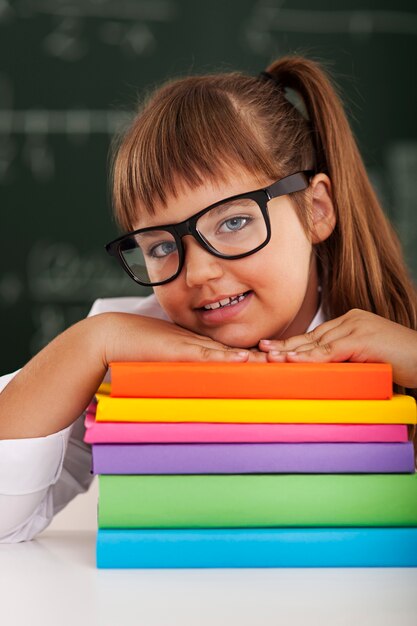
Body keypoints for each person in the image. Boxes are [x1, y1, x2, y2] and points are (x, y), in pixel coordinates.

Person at [0, 56, 416, 542]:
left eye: (234, 222)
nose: (198, 272)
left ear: (317, 210)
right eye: (160, 246)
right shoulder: (124, 345)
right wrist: (91, 342)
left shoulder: (399, 339)